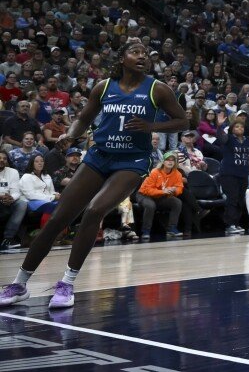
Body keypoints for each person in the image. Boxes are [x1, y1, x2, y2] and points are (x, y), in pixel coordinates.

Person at [1, 38, 189, 309]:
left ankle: (66, 283)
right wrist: (70, 134)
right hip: (99, 156)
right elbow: (84, 119)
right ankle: (19, 283)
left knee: (94, 211)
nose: (142, 56)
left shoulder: (157, 89)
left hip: (132, 161)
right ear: (122, 57)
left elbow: (183, 121)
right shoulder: (103, 87)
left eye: (145, 54)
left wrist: (151, 125)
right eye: (135, 51)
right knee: (57, 219)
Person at [135, 154, 185, 241]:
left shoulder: (177, 174)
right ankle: (146, 230)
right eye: (167, 160)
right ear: (163, 162)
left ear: (175, 162)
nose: (170, 162)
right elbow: (147, 189)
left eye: (172, 160)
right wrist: (163, 191)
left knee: (177, 202)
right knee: (151, 205)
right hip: (144, 195)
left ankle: (171, 228)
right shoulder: (155, 172)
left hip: (160, 196)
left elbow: (180, 188)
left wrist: (174, 190)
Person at [0, 150, 27, 250]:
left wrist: (11, 198)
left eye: (4, 158)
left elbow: (16, 191)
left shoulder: (13, 172)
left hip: (8, 201)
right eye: (0, 158)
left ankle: (8, 239)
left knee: (22, 204)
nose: (2, 160)